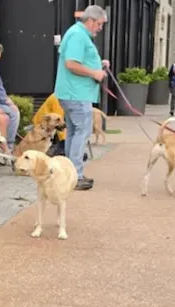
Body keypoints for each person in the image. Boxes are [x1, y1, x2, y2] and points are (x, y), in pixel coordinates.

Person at [53, 5, 109, 191]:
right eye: (100, 24)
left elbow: (77, 60)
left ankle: (70, 172)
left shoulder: (77, 33)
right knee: (81, 133)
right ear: (91, 20)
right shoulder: (78, 35)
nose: (100, 28)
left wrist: (98, 64)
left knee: (73, 132)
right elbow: (71, 64)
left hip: (72, 93)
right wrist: (94, 73)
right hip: (77, 94)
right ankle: (75, 175)